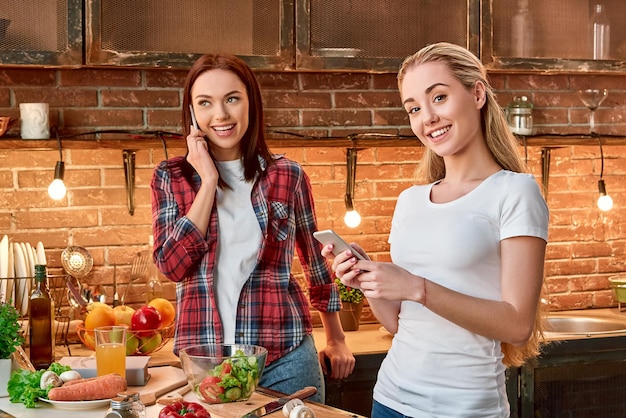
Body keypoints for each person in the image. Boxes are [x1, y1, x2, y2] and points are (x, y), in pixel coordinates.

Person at [322, 42, 549, 417]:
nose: (427, 117)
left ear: (476, 93)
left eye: (439, 97)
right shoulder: (411, 200)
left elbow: (517, 325)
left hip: (467, 407)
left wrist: (416, 287)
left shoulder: (515, 191)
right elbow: (399, 322)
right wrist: (370, 281)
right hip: (391, 399)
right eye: (413, 108)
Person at [151, 53, 355, 403]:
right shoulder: (170, 177)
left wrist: (336, 338)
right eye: (205, 103)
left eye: (232, 99)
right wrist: (209, 181)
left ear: (251, 103)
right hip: (205, 363)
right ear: (192, 113)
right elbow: (172, 266)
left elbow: (315, 260)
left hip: (285, 356)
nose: (221, 115)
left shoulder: (287, 176)